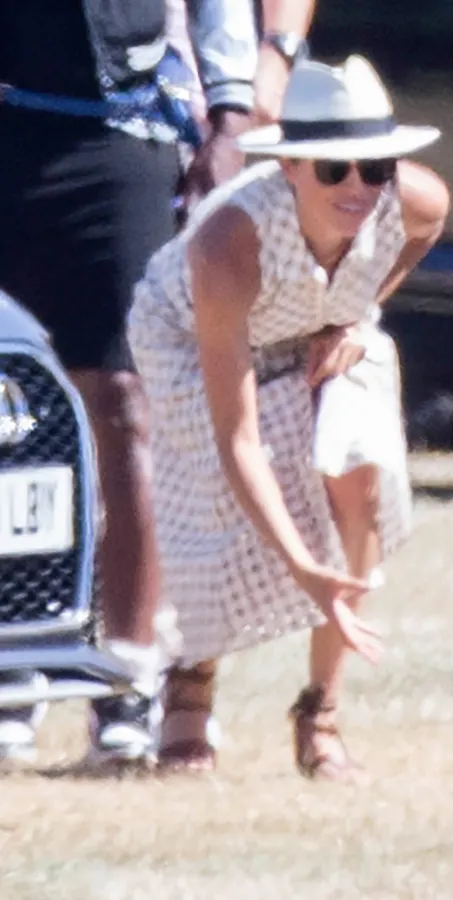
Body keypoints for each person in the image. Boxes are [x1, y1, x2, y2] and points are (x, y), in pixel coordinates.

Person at [126, 53, 449, 779]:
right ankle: (190, 683)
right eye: (334, 170)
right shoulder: (227, 245)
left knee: (358, 474)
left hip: (319, 323)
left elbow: (426, 225)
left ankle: (321, 715)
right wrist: (304, 566)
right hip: (193, 337)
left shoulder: (411, 200)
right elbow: (239, 441)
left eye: (375, 167)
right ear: (290, 168)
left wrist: (357, 311)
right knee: (217, 507)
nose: (360, 187)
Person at [0, 0, 260, 767]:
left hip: (121, 131)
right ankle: (15, 665)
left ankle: (127, 676)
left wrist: (231, 116)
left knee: (122, 402)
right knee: (11, 416)